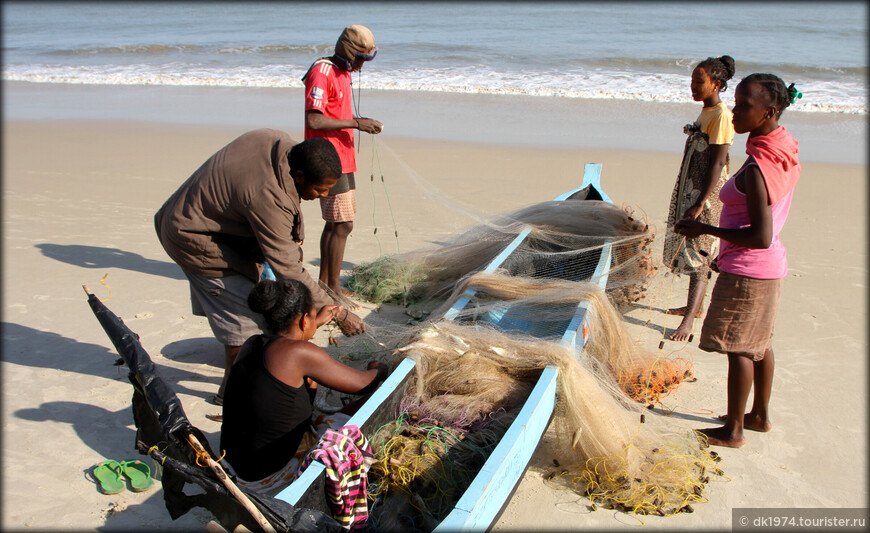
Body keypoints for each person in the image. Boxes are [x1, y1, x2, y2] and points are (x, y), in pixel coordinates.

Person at [155, 129, 366, 407]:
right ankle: (231, 397)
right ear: (299, 176)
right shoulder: (268, 196)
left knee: (257, 305)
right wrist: (338, 312)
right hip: (191, 236)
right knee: (244, 324)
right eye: (320, 189)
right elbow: (287, 267)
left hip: (209, 223)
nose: (324, 195)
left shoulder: (278, 144)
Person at [675, 74, 802, 448]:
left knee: (740, 349)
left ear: (769, 112)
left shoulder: (758, 167)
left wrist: (706, 232)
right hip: (766, 267)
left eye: (745, 105)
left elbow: (759, 237)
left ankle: (733, 430)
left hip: (751, 270)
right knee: (760, 343)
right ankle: (759, 416)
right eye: (737, 102)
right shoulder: (783, 145)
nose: (735, 111)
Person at [219, 278, 388, 486]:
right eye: (313, 314)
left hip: (232, 465)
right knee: (378, 400)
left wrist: (314, 322)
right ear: (303, 320)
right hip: (268, 477)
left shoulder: (251, 343)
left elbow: (288, 337)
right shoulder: (299, 353)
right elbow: (365, 383)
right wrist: (378, 367)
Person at [303, 25, 384, 299]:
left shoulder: (344, 72)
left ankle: (326, 284)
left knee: (337, 223)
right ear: (349, 52)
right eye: (360, 58)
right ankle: (331, 288)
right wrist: (357, 123)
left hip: (343, 157)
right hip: (327, 157)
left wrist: (358, 125)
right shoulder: (322, 71)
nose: (362, 65)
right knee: (342, 224)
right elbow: (313, 119)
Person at [663, 56, 736, 341]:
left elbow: (718, 164)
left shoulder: (720, 116)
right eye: (692, 80)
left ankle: (690, 322)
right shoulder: (707, 112)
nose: (693, 86)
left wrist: (699, 202)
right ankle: (694, 307)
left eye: (699, 81)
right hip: (692, 188)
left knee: (699, 252)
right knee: (692, 248)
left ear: (716, 83)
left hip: (705, 194)